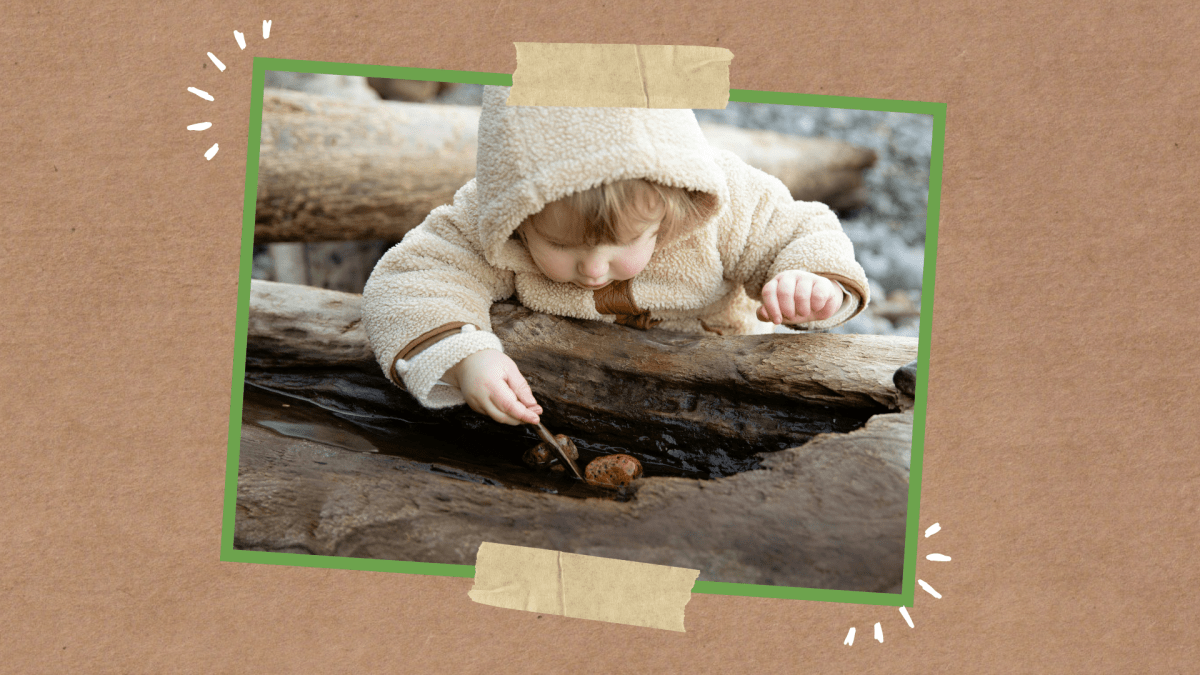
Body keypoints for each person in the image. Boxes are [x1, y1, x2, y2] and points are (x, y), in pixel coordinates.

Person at [362, 86, 870, 426]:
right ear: (518, 221)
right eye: (560, 246)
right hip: (570, 389)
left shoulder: (721, 200)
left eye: (626, 244)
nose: (594, 268)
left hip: (719, 385)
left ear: (670, 210)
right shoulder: (495, 215)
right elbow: (413, 277)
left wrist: (810, 279)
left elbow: (800, 227)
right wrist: (466, 357)